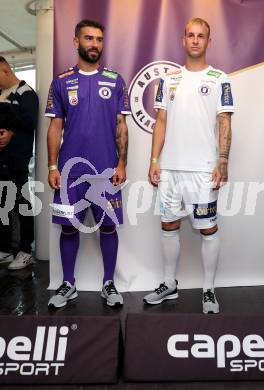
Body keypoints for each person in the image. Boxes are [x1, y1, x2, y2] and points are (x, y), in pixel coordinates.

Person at [143, 18, 234, 314]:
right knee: (168, 225)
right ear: (183, 40)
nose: (195, 40)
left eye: (201, 36)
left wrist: (223, 160)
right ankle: (169, 283)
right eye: (191, 35)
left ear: (209, 42)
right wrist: (155, 160)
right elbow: (161, 122)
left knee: (207, 229)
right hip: (170, 168)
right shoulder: (167, 79)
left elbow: (225, 121)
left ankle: (208, 290)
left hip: (204, 170)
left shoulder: (220, 78)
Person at [45, 19, 130, 309]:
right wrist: (52, 166)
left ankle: (109, 283)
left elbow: (122, 125)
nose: (95, 44)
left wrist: (122, 164)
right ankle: (68, 283)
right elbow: (55, 126)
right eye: (89, 38)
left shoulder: (116, 80)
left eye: (99, 39)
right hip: (69, 173)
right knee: (68, 228)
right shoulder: (61, 80)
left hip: (106, 170)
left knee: (108, 227)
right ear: (76, 42)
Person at [0, 56, 38, 269]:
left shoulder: (26, 93)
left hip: (18, 159)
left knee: (21, 203)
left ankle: (25, 250)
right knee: (2, 205)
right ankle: (5, 249)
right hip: (1, 160)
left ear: (5, 70)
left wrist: (10, 131)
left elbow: (30, 122)